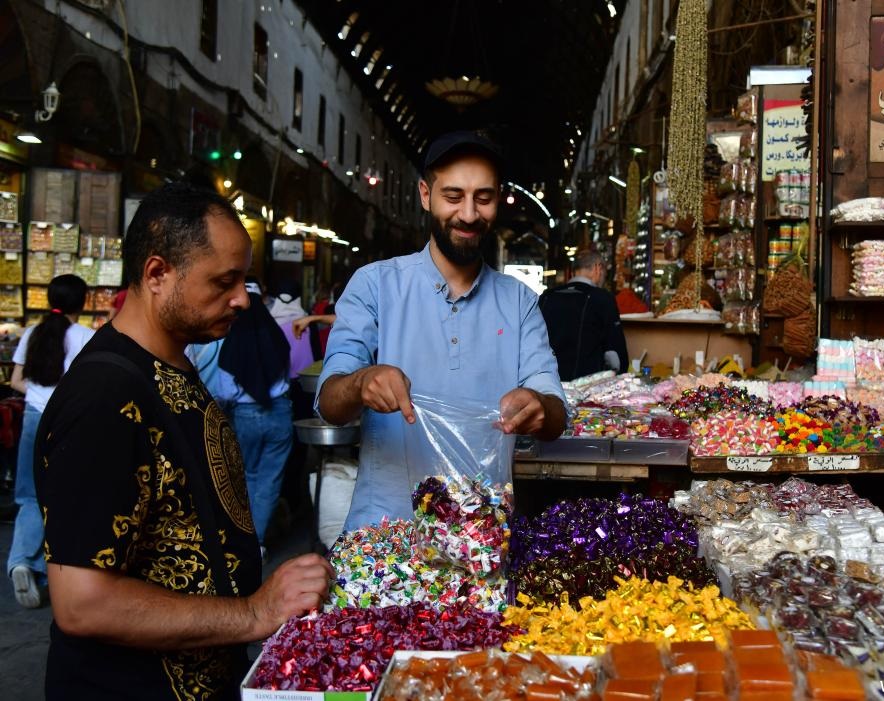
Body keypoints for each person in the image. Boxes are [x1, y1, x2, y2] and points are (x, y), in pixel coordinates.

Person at [35, 182, 332, 700]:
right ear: (156, 274)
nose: (242, 298)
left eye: (244, 279)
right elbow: (83, 602)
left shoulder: (173, 362)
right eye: (224, 281)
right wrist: (255, 611)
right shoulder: (105, 395)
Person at [316, 131, 567, 529]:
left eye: (483, 198)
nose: (468, 214)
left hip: (480, 539)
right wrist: (361, 382)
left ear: (498, 199)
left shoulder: (520, 302)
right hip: (384, 537)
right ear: (425, 194)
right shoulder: (374, 285)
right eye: (453, 196)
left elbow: (555, 412)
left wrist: (539, 405)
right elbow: (330, 403)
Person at [188, 281, 293, 560]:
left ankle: (241, 538)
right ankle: (257, 541)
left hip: (245, 416)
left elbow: (225, 392)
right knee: (270, 478)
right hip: (280, 413)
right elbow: (288, 376)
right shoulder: (277, 338)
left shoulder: (231, 346)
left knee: (246, 476)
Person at [7, 274, 94, 608]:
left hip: (32, 418)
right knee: (62, 497)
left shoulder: (33, 333)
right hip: (69, 422)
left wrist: (41, 397)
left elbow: (16, 381)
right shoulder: (86, 337)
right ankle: (46, 574)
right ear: (83, 301)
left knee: (29, 496)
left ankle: (19, 562)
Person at [539, 250, 629, 381]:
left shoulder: (546, 297)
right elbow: (616, 354)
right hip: (588, 388)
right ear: (598, 268)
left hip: (548, 385)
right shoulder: (603, 298)